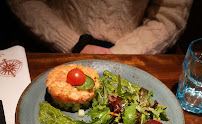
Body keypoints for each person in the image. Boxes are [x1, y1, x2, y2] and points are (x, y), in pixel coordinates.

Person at [6, 0, 193, 54]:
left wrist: (119, 54)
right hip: (49, 46)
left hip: (130, 51)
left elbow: (169, 17)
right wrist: (74, 44)